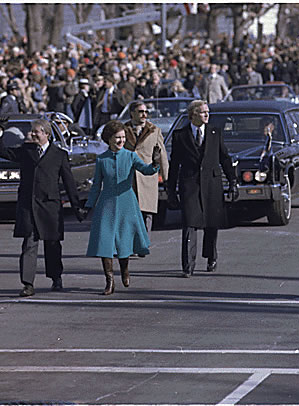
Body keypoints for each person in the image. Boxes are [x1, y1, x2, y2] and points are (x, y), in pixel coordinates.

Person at [0, 116, 85, 296]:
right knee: (29, 244)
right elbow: (1, 151)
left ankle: (56, 278)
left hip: (50, 206)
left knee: (52, 244)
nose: (32, 134)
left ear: (47, 134)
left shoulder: (59, 155)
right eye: (32, 131)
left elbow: (69, 183)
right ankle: (28, 284)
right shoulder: (25, 151)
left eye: (36, 131)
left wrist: (77, 206)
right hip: (28, 205)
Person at [82, 120, 161, 295]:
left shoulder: (131, 156)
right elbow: (96, 185)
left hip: (127, 203)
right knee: (105, 242)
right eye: (117, 137)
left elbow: (146, 170)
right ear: (109, 139)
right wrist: (88, 206)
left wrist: (155, 164)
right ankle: (109, 281)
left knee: (124, 241)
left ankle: (125, 270)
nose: (121, 140)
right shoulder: (102, 159)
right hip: (107, 204)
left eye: (123, 137)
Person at [167, 100, 238, 278]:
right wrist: (171, 190)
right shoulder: (180, 135)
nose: (207, 115)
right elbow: (174, 164)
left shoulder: (215, 133)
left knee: (211, 223)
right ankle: (188, 264)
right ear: (192, 115)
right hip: (189, 185)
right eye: (202, 112)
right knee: (190, 223)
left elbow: (225, 158)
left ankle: (211, 256)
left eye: (207, 112)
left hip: (211, 184)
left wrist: (233, 182)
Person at [123, 101, 169, 240]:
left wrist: (166, 178)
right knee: (129, 212)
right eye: (141, 112)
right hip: (128, 177)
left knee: (147, 212)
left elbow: (162, 155)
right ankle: (130, 242)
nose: (144, 115)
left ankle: (144, 242)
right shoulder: (123, 130)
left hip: (148, 176)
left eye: (146, 112)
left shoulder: (154, 130)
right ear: (132, 113)